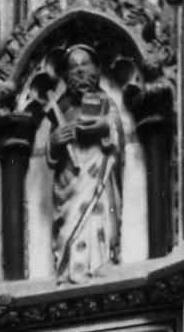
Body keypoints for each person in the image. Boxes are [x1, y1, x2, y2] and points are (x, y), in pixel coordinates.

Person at [40, 42, 129, 274]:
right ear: (66, 75)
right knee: (70, 224)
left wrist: (103, 127)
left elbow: (116, 133)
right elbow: (51, 154)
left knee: (99, 213)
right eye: (73, 67)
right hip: (70, 179)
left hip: (98, 171)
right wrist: (55, 142)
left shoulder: (105, 102)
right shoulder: (61, 108)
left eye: (85, 64)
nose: (79, 71)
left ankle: (99, 263)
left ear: (97, 70)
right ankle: (69, 268)